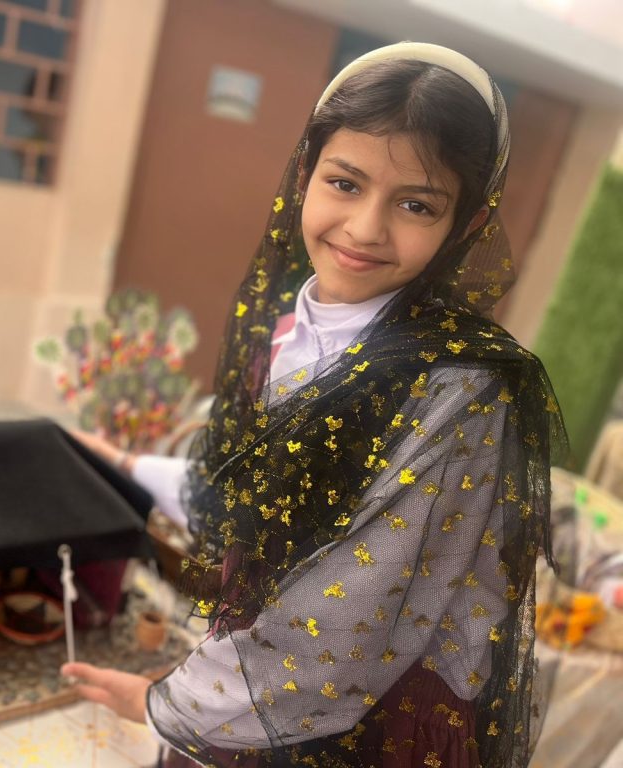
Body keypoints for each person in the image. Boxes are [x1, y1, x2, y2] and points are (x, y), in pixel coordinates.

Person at [65, 42, 568, 767]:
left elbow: (342, 630)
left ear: (465, 223)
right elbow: (245, 504)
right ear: (305, 174)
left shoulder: (459, 388)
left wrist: (168, 706)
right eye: (345, 183)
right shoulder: (286, 334)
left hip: (356, 725)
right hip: (252, 688)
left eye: (416, 204)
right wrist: (118, 462)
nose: (365, 228)